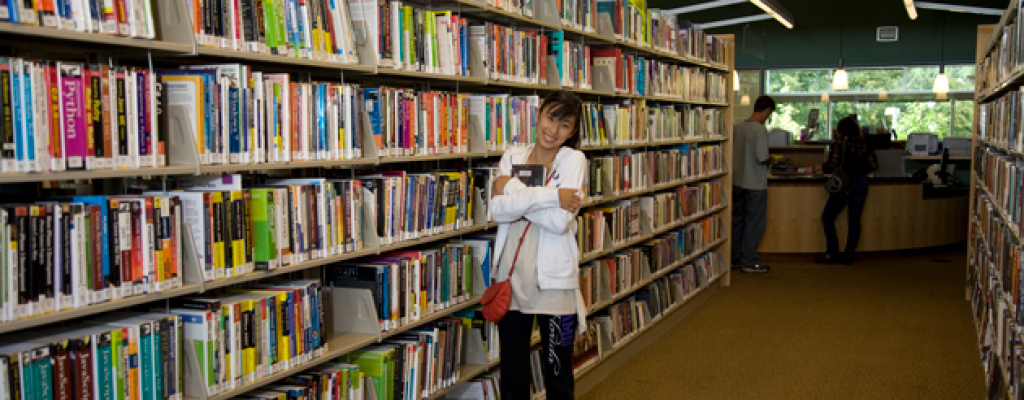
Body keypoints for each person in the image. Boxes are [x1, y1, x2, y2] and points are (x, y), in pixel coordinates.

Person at [488, 91, 588, 400]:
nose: (553, 130)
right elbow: (497, 210)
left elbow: (559, 223)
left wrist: (514, 192)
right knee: (514, 372)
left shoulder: (574, 160)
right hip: (512, 279)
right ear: (538, 114)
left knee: (558, 372)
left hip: (555, 284)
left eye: (564, 125)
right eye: (550, 118)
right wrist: (553, 196)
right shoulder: (513, 157)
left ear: (572, 131)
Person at [816, 116, 879, 265]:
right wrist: (860, 170)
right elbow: (874, 165)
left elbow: (834, 163)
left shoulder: (841, 142)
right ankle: (849, 255)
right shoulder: (865, 143)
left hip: (844, 184)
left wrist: (816, 168)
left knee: (827, 218)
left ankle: (832, 254)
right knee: (854, 221)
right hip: (861, 183)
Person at [731, 95, 776, 273]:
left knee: (738, 222)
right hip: (755, 184)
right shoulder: (759, 130)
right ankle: (749, 262)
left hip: (738, 182)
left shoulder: (739, 127)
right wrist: (772, 159)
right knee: (755, 224)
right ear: (766, 110)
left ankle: (734, 258)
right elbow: (762, 157)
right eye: (769, 113)